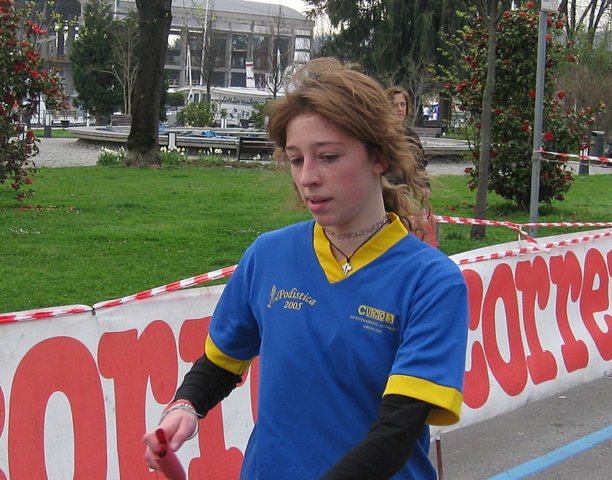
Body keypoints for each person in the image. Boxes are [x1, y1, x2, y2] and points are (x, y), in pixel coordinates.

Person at [143, 58, 469, 480]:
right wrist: (185, 406)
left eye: (328, 156)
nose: (308, 177)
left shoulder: (431, 280)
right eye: (296, 160)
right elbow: (221, 362)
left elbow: (396, 433)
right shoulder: (268, 255)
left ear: (379, 157)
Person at [385, 86, 438, 248]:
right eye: (395, 105)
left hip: (407, 193)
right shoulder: (380, 134)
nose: (400, 109)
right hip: (385, 192)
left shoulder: (411, 136)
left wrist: (424, 185)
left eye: (403, 104)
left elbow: (420, 163)